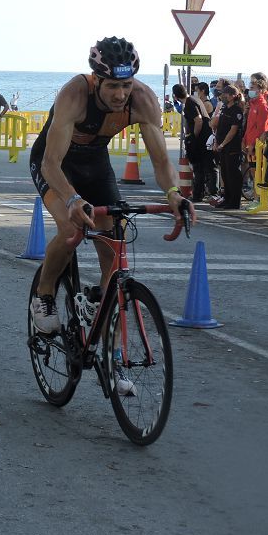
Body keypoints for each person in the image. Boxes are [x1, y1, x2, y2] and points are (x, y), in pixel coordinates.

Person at [28, 36, 194, 340]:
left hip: (95, 162)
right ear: (96, 80)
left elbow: (160, 162)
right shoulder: (75, 94)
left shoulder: (143, 99)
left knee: (113, 244)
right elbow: (50, 163)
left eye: (126, 85)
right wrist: (72, 199)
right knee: (70, 230)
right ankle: (45, 294)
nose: (121, 95)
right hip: (56, 163)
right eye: (112, 87)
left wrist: (173, 194)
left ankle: (108, 340)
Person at [210, 84, 245, 209]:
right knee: (225, 174)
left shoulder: (236, 110)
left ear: (233, 96)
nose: (223, 96)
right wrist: (216, 143)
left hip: (231, 148)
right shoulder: (224, 108)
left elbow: (233, 130)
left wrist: (223, 143)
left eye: (226, 94)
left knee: (232, 175)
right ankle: (227, 198)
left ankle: (234, 201)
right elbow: (219, 127)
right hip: (221, 147)